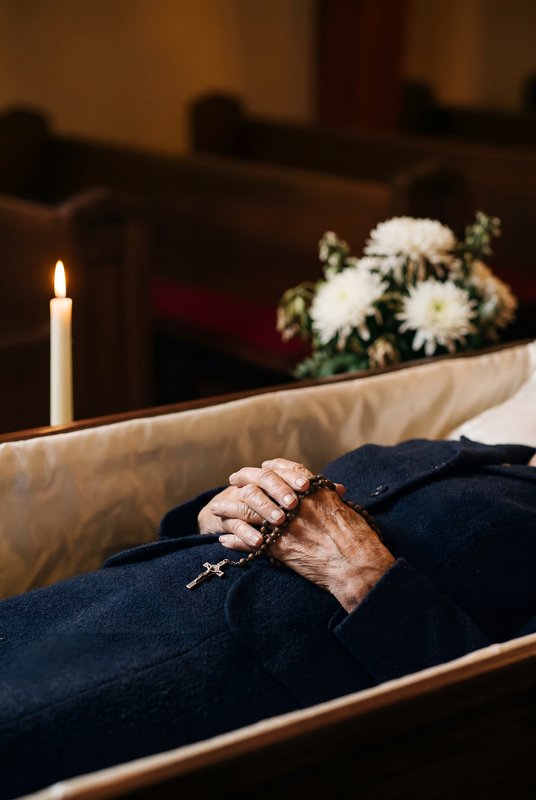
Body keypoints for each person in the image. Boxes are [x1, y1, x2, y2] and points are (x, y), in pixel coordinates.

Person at [1, 437, 535, 800]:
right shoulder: (470, 447)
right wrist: (215, 513)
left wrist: (358, 570)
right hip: (127, 590)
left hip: (225, 669)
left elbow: (504, 728)